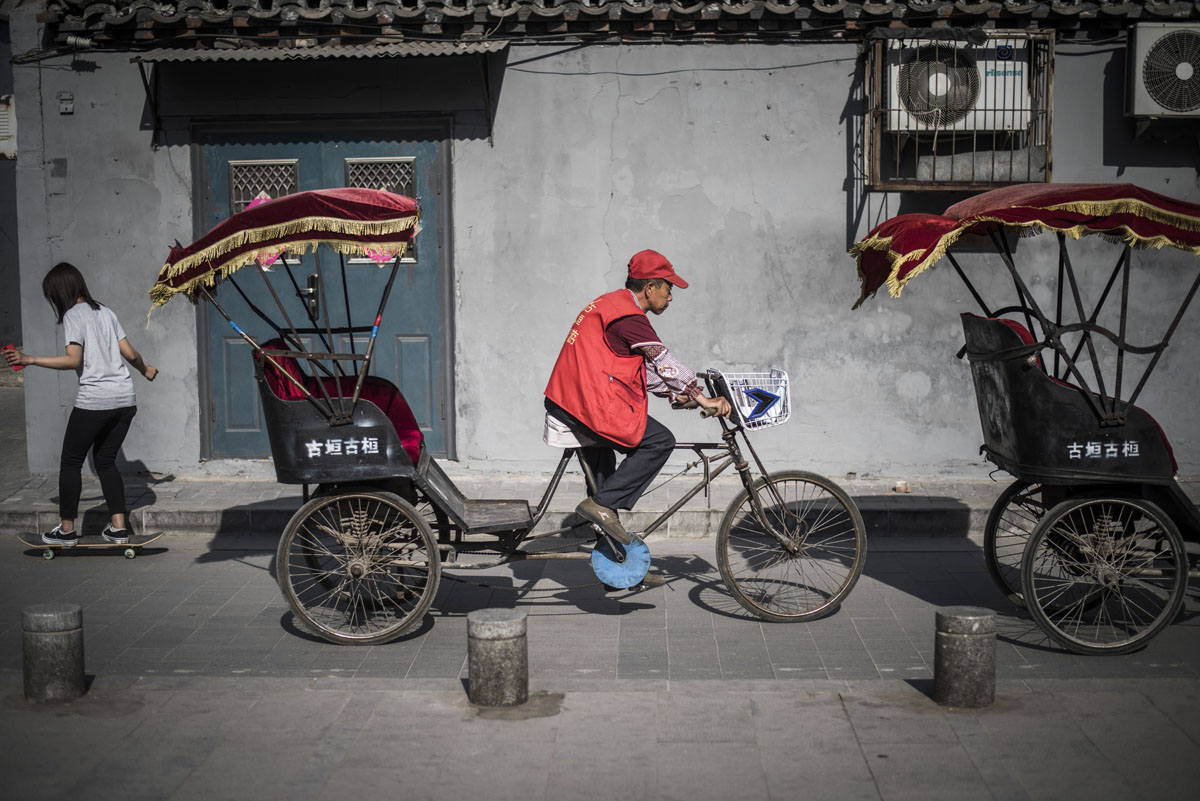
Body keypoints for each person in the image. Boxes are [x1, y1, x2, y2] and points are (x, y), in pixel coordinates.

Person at [544, 249, 731, 588]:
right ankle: (600, 508)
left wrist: (682, 394)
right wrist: (703, 396)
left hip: (574, 400)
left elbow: (641, 371)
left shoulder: (613, 306)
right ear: (650, 287)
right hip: (585, 403)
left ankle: (620, 571)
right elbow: (662, 359)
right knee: (660, 442)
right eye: (668, 289)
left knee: (606, 492)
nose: (671, 297)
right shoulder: (629, 316)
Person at [4, 262, 158, 547]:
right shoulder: (106, 312)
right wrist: (145, 369)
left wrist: (30, 359)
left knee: (71, 463)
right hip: (125, 399)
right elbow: (130, 352)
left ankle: (65, 532)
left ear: (61, 293)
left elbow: (74, 359)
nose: (54, 302)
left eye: (53, 296)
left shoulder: (74, 315)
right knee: (106, 461)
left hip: (95, 400)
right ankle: (118, 528)